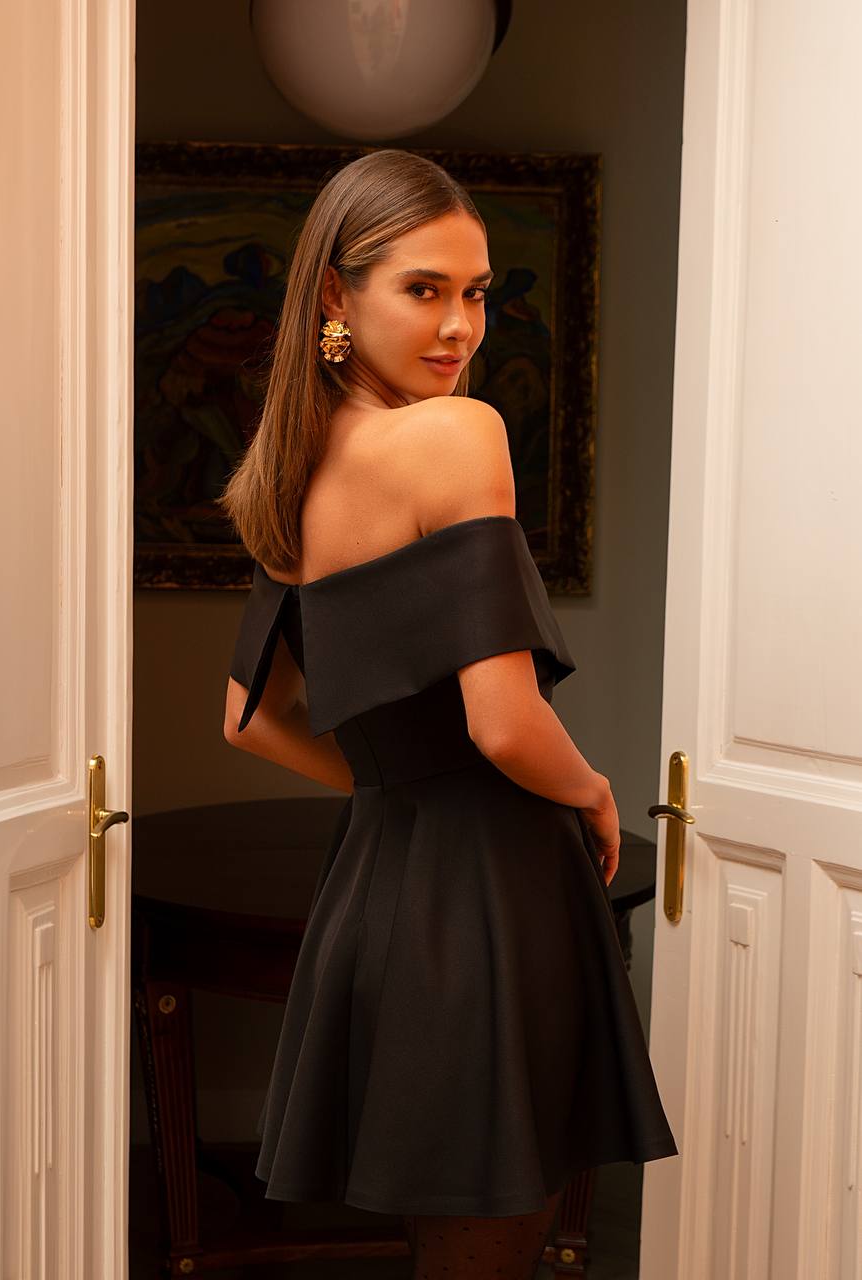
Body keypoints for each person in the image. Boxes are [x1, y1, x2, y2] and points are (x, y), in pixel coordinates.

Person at [219, 149, 677, 1279]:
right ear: (336, 294)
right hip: (490, 894)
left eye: (478, 292)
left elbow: (251, 718)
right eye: (424, 289)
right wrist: (595, 787)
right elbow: (503, 721)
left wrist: (391, 786)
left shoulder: (294, 466)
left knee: (450, 1237)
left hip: (377, 887)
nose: (461, 326)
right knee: (492, 1246)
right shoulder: (459, 434)